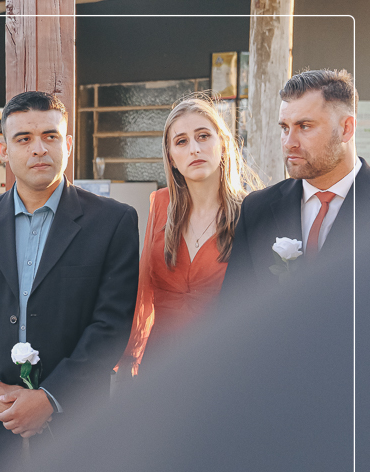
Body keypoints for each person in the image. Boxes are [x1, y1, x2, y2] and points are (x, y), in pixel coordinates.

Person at [0, 91, 140, 472]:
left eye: (50, 136)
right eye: (24, 138)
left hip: (74, 433)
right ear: (3, 150)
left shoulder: (113, 221)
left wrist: (49, 398)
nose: (39, 148)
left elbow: (110, 327)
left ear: (68, 144)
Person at [114, 95, 262, 378]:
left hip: (223, 368)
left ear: (223, 143)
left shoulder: (252, 211)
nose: (194, 149)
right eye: (181, 141)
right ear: (171, 157)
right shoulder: (161, 204)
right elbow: (144, 290)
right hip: (160, 367)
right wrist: (130, 358)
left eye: (203, 136)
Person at [222, 69, 370, 294]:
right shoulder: (256, 209)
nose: (289, 142)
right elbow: (236, 303)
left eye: (305, 126)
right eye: (284, 128)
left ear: (346, 129)